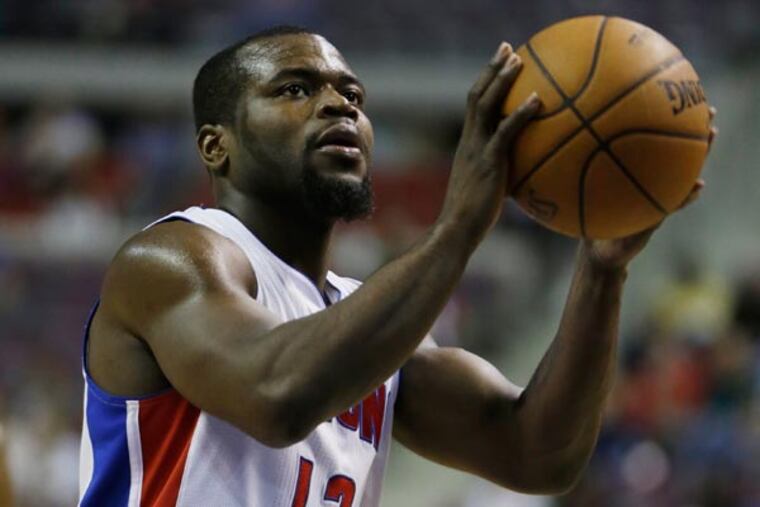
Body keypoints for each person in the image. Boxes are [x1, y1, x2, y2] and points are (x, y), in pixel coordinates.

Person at [78, 26, 711, 506]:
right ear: (217, 145)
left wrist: (602, 272)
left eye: (352, 93)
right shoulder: (170, 259)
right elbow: (275, 396)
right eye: (296, 89)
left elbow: (537, 453)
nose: (338, 105)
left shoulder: (369, 328)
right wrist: (458, 228)